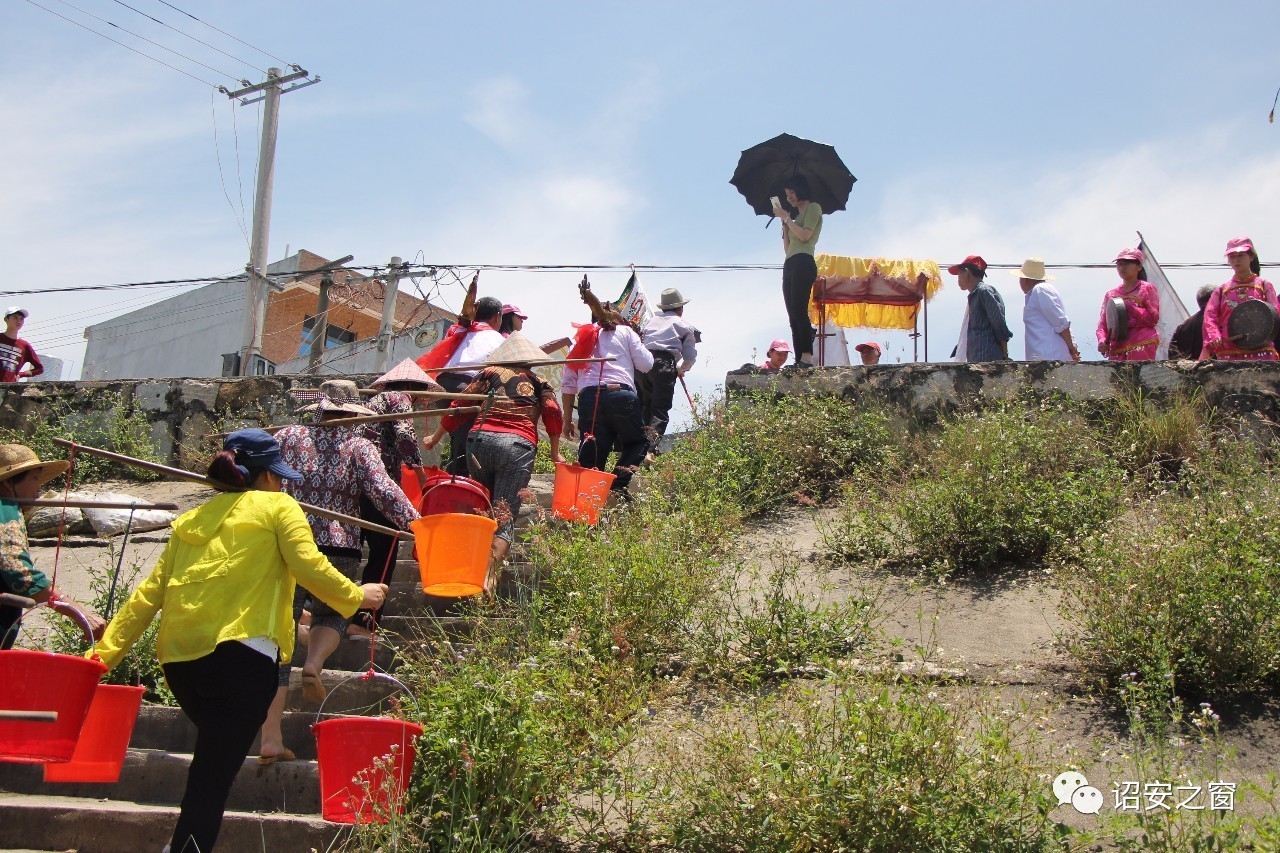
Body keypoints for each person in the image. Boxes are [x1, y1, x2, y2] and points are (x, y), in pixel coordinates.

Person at [94, 429, 387, 853]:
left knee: (211, 766)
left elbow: (148, 595)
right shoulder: (278, 506)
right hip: (243, 660)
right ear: (267, 476)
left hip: (181, 664)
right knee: (211, 777)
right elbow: (308, 565)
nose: (283, 483)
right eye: (280, 475)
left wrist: (101, 658)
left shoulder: (190, 521)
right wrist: (358, 596)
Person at [257, 380, 419, 763]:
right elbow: (384, 491)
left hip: (286, 545)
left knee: (280, 638)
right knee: (334, 613)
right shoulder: (359, 445)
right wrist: (419, 525)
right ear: (353, 413)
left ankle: (270, 737)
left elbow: (265, 483)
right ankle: (314, 663)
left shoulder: (289, 437)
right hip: (339, 545)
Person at [440, 332, 564, 592]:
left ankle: (471, 569)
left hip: (479, 443)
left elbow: (461, 402)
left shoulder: (489, 373)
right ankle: (488, 577)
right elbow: (552, 411)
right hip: (516, 446)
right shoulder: (540, 382)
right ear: (530, 361)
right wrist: (555, 453)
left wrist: (435, 435)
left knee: (482, 509)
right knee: (504, 513)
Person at [353, 360, 441, 633]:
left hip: (351, 483)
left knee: (352, 549)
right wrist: (420, 472)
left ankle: (323, 612)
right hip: (376, 482)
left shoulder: (372, 403)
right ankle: (363, 621)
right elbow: (404, 434)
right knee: (384, 550)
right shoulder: (398, 398)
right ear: (412, 388)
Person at [0, 444, 105, 650]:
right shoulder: (5, 509)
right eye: (34, 478)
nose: (39, 487)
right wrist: (77, 611)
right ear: (8, 483)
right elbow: (21, 574)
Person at [561, 310, 654, 496]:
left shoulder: (579, 340)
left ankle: (585, 511)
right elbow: (646, 364)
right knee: (638, 442)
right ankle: (618, 484)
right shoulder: (625, 332)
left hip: (589, 400)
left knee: (591, 457)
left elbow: (568, 384)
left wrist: (567, 420)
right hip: (621, 395)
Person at [419, 296, 506, 473]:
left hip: (442, 387)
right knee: (464, 443)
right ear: (497, 317)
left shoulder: (460, 332)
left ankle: (452, 474)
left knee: (458, 439)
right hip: (467, 388)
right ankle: (456, 482)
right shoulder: (498, 340)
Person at [637, 288, 698, 456]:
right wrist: (681, 369)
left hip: (643, 363)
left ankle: (639, 447)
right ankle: (649, 450)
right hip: (663, 364)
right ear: (680, 308)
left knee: (645, 406)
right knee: (660, 409)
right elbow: (690, 357)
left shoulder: (651, 322)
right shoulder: (684, 325)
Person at [1201, 236, 1280, 361]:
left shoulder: (1264, 285)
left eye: (1241, 255)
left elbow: (1275, 313)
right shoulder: (1221, 290)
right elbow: (1210, 316)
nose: (1236, 260)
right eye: (1232, 256)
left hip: (1260, 349)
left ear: (1251, 257)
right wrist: (1214, 336)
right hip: (1228, 350)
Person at [772, 175, 823, 367]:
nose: (790, 197)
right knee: (792, 312)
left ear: (801, 189)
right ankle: (799, 357)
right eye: (787, 194)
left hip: (804, 261)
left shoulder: (813, 208)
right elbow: (788, 249)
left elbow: (804, 236)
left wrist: (787, 218)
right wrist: (785, 225)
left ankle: (807, 357)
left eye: (792, 192)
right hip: (790, 263)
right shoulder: (793, 218)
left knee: (800, 309)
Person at [1096, 248, 1160, 361]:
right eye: (1119, 264)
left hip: (1142, 342)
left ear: (1139, 267)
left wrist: (1129, 307)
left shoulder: (1146, 288)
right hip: (1117, 347)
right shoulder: (1111, 294)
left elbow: (1153, 318)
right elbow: (1103, 324)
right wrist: (1102, 340)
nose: (1122, 267)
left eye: (1127, 263)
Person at [1012, 257, 1080, 361]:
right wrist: (1072, 345)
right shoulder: (1042, 291)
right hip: (1047, 356)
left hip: (1049, 357)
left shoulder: (1040, 290)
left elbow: (1060, 321)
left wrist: (1072, 348)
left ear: (1025, 279)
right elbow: (1061, 320)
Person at [949, 255, 1012, 362]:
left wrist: (1005, 354)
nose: (958, 278)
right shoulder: (974, 296)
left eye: (959, 273)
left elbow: (999, 323)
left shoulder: (984, 291)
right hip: (975, 358)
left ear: (967, 272)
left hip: (987, 358)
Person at [1168, 285, 1216, 360]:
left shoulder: (1182, 327)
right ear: (1215, 299)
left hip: (1187, 370)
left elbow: (1173, 354)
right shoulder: (1220, 324)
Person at [0, 307, 43, 383]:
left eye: (21, 319)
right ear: (6, 320)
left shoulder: (24, 346)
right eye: (15, 318)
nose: (19, 321)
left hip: (8, 389)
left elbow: (39, 368)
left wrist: (21, 374)